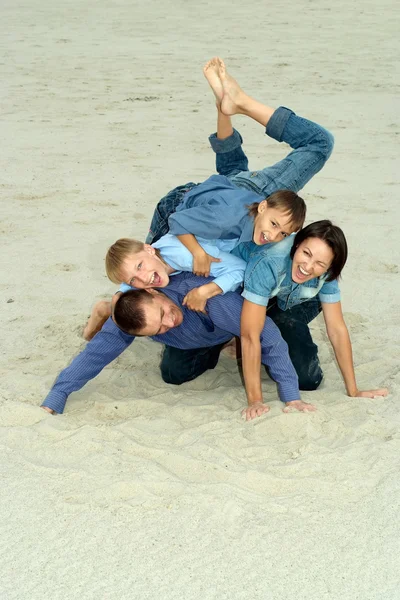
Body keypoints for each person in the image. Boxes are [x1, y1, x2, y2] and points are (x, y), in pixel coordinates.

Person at [84, 56, 331, 339]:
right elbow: (196, 217)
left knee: (231, 179)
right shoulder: (241, 211)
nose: (278, 234)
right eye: (277, 227)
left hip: (197, 205)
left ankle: (225, 105)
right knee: (319, 144)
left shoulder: (230, 216)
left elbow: (225, 190)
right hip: (196, 209)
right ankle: (240, 103)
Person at [41, 272, 316, 419]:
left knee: (305, 377)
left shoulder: (203, 297)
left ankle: (237, 332)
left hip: (261, 303)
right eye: (157, 330)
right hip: (208, 332)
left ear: (153, 292)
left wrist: (291, 396)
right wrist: (57, 396)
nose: (169, 323)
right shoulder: (132, 315)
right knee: (173, 374)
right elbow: (96, 354)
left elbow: (267, 337)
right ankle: (226, 338)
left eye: (163, 313)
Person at [234, 220, 388, 411]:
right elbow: (250, 335)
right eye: (306, 254)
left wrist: (353, 390)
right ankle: (233, 339)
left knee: (307, 380)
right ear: (297, 243)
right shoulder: (270, 261)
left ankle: (276, 328)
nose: (307, 266)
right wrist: (255, 401)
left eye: (319, 264)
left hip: (291, 302)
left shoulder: (327, 273)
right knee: (189, 364)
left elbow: (336, 329)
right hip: (244, 295)